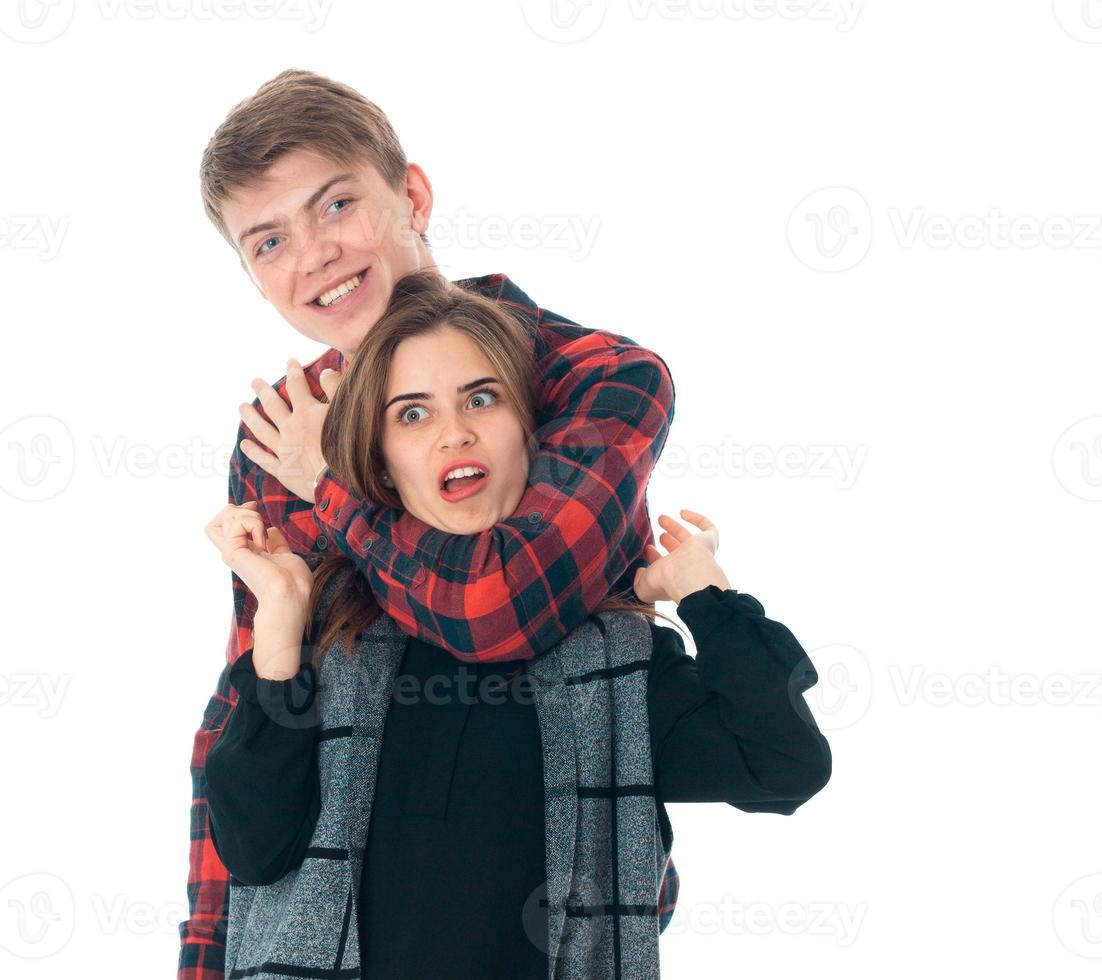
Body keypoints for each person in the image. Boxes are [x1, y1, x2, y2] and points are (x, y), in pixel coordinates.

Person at [182, 70, 678, 978]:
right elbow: (247, 709)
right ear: (254, 275)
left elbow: (496, 607)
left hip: (545, 931)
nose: (315, 255)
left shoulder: (595, 377)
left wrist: (332, 483)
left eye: (336, 204)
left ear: (411, 194)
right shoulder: (276, 438)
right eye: (269, 241)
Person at [201, 272, 832, 978]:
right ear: (378, 459)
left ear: (532, 431)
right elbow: (253, 849)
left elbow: (784, 767)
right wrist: (282, 630)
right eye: (412, 414)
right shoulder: (331, 636)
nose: (455, 432)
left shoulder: (616, 663)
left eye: (482, 398)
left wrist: (711, 601)